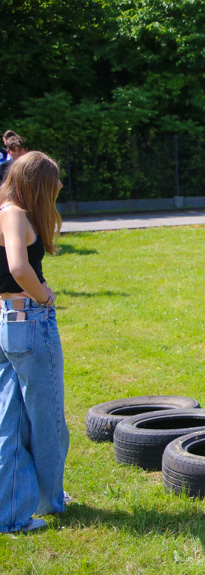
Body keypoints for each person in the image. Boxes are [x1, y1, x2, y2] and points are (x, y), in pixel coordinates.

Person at [0, 152, 68, 534]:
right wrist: (42, 296)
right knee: (47, 418)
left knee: (13, 419)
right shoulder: (12, 214)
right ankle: (46, 500)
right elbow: (18, 268)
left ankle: (15, 509)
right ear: (38, 182)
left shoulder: (5, 209)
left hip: (10, 323)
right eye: (54, 180)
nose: (59, 187)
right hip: (29, 321)